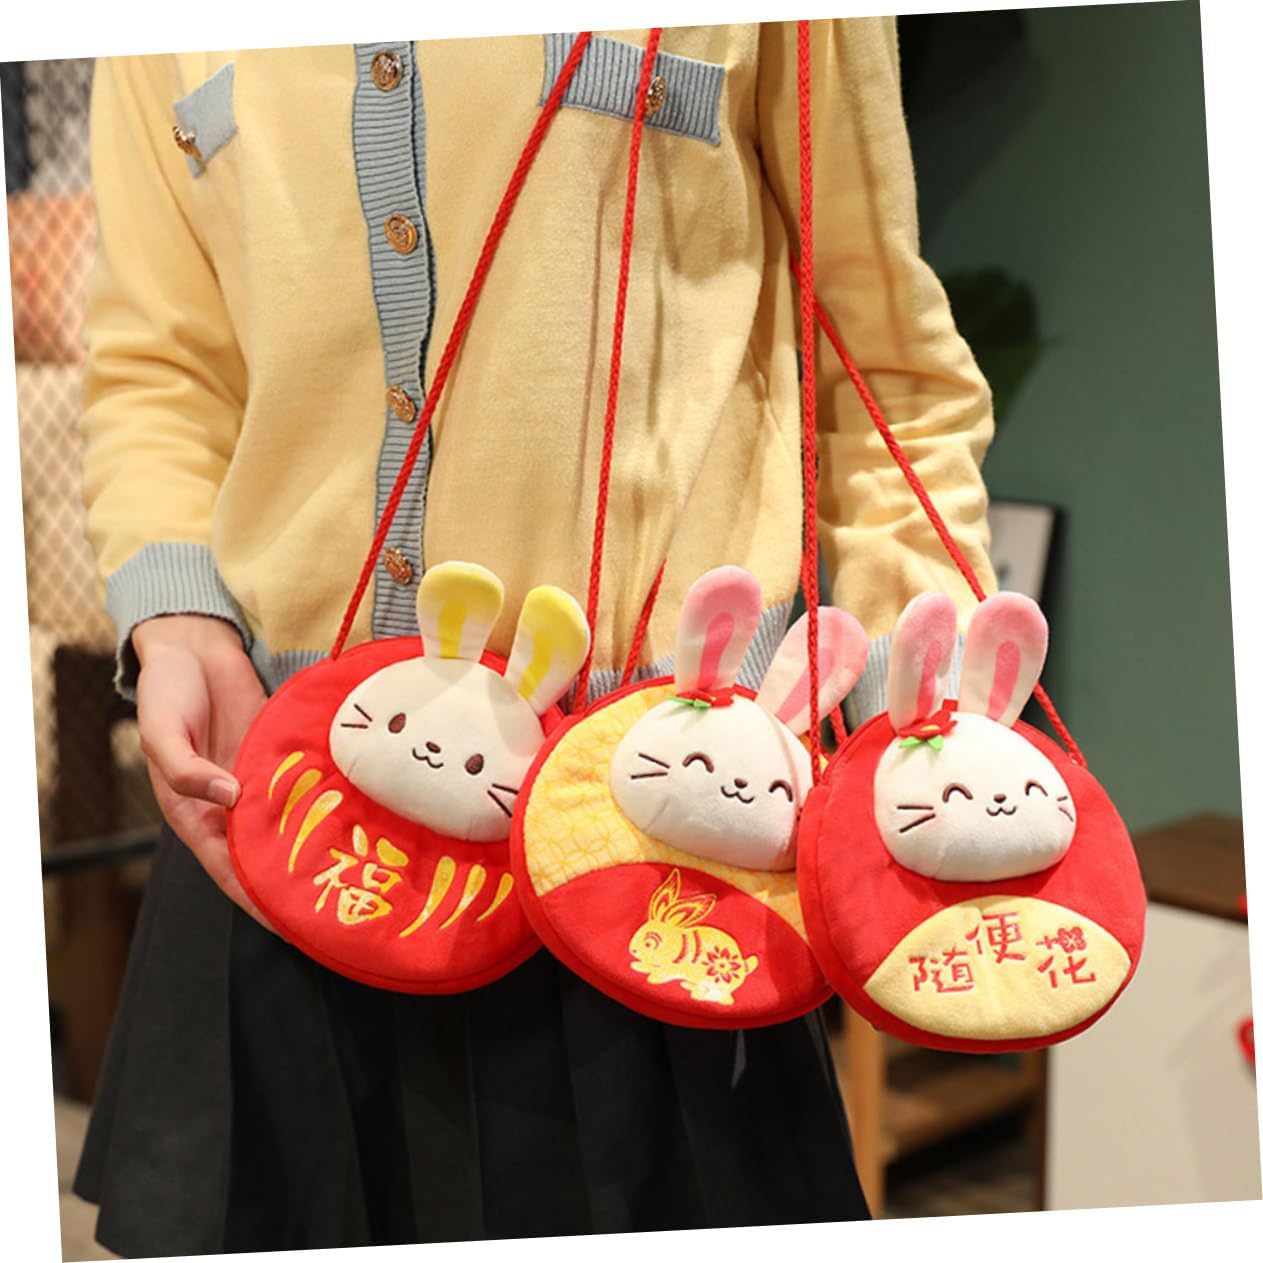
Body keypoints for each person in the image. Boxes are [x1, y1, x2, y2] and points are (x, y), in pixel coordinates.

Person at [73, 19, 996, 1256]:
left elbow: (879, 361)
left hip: (649, 837)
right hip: (276, 811)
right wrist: (176, 612)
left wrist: (917, 727)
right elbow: (161, 364)